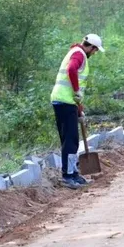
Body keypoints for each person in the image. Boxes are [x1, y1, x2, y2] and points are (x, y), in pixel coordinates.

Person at [50, 34, 104, 189]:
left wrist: (78, 105)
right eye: (95, 51)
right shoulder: (79, 54)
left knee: (70, 139)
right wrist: (76, 91)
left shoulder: (76, 52)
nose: (94, 54)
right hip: (65, 101)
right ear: (92, 47)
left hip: (66, 101)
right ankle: (68, 176)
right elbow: (71, 69)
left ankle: (72, 173)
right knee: (70, 140)